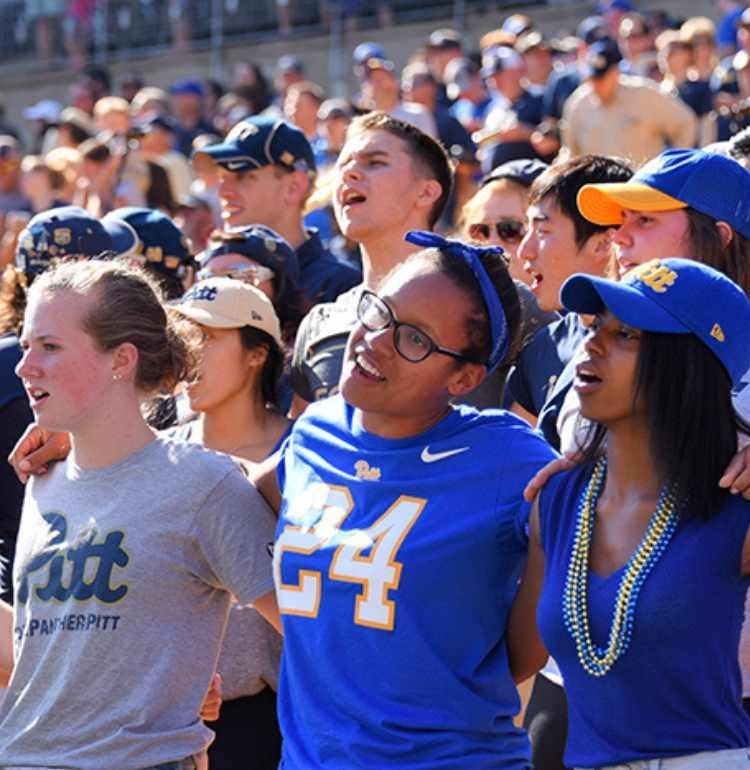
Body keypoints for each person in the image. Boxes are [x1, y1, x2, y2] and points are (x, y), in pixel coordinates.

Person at [255, 231, 557, 768]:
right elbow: (233, 486)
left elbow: (525, 653)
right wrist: (70, 444)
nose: (374, 340)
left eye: (413, 339)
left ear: (465, 377)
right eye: (379, 313)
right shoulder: (314, 433)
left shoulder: (510, 456)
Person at [0, 259, 279, 769]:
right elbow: (45, 653)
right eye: (25, 347)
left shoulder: (204, 484)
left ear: (121, 360)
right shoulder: (43, 479)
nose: (25, 367)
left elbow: (313, 630)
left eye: (50, 347)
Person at [514, 258, 750, 770]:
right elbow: (517, 663)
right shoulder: (554, 499)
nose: (592, 343)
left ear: (692, 365)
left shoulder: (737, 502)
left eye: (628, 335)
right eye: (596, 326)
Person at [170, 277, 288, 770]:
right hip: (165, 722)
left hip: (277, 721)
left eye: (209, 336)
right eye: (182, 335)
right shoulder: (156, 453)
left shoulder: (309, 455)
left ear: (257, 353)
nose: (188, 352)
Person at [290, 110, 451, 410]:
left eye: (375, 163)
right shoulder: (320, 322)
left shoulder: (493, 304)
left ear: (426, 192)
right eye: (343, 165)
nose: (349, 174)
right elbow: (302, 447)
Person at [505, 154, 634, 434]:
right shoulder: (542, 348)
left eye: (543, 230)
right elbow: (517, 464)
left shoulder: (653, 346)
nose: (524, 251)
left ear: (604, 244)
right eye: (526, 230)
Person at [191, 116, 360, 305]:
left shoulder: (340, 287)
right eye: (222, 178)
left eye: (244, 176)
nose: (223, 192)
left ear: (294, 186)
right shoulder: (211, 272)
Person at [561, 38, 697, 165]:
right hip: (599, 187)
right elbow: (570, 152)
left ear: (616, 73)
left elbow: (685, 123)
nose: (598, 84)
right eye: (594, 79)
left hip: (640, 187)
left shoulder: (643, 95)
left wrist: (672, 168)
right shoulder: (578, 104)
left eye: (603, 78)